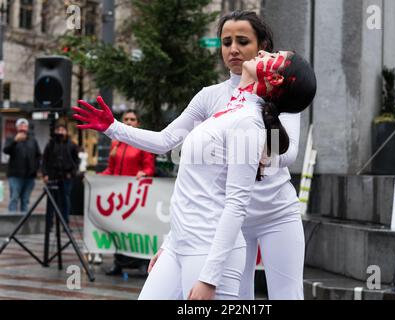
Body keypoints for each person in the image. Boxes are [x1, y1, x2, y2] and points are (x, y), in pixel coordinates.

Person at [76, 10, 309, 300]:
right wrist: (114, 128)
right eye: (226, 42)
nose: (233, 49)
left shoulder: (275, 95)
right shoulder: (215, 98)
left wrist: (252, 150)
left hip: (271, 212)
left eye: (242, 41)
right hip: (225, 221)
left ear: (261, 46)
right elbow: (168, 142)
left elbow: (288, 153)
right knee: (244, 295)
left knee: (286, 294)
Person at [99, 110, 156, 276]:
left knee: (136, 230)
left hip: (135, 196)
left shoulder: (142, 143)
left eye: (133, 119)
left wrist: (144, 173)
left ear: (138, 123)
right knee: (118, 230)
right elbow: (111, 169)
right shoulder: (115, 143)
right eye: (126, 119)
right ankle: (118, 263)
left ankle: (141, 263)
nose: (129, 121)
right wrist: (94, 179)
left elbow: (149, 167)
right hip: (118, 197)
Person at [42, 124, 80, 226]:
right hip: (52, 176)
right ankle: (49, 224)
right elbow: (45, 160)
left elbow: (76, 161)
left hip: (66, 177)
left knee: (65, 200)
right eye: (58, 129)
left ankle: (65, 223)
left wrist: (72, 173)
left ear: (66, 132)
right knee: (51, 201)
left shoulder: (71, 145)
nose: (60, 132)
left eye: (62, 130)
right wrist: (45, 174)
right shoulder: (51, 144)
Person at [3, 118, 41, 213]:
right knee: (14, 198)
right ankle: (12, 223)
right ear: (17, 127)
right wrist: (15, 141)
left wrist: (36, 169)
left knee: (25, 200)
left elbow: (38, 156)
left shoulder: (33, 140)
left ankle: (24, 223)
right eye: (20, 125)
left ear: (27, 128)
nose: (23, 127)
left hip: (29, 176)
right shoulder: (11, 138)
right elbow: (6, 150)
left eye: (24, 125)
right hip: (15, 175)